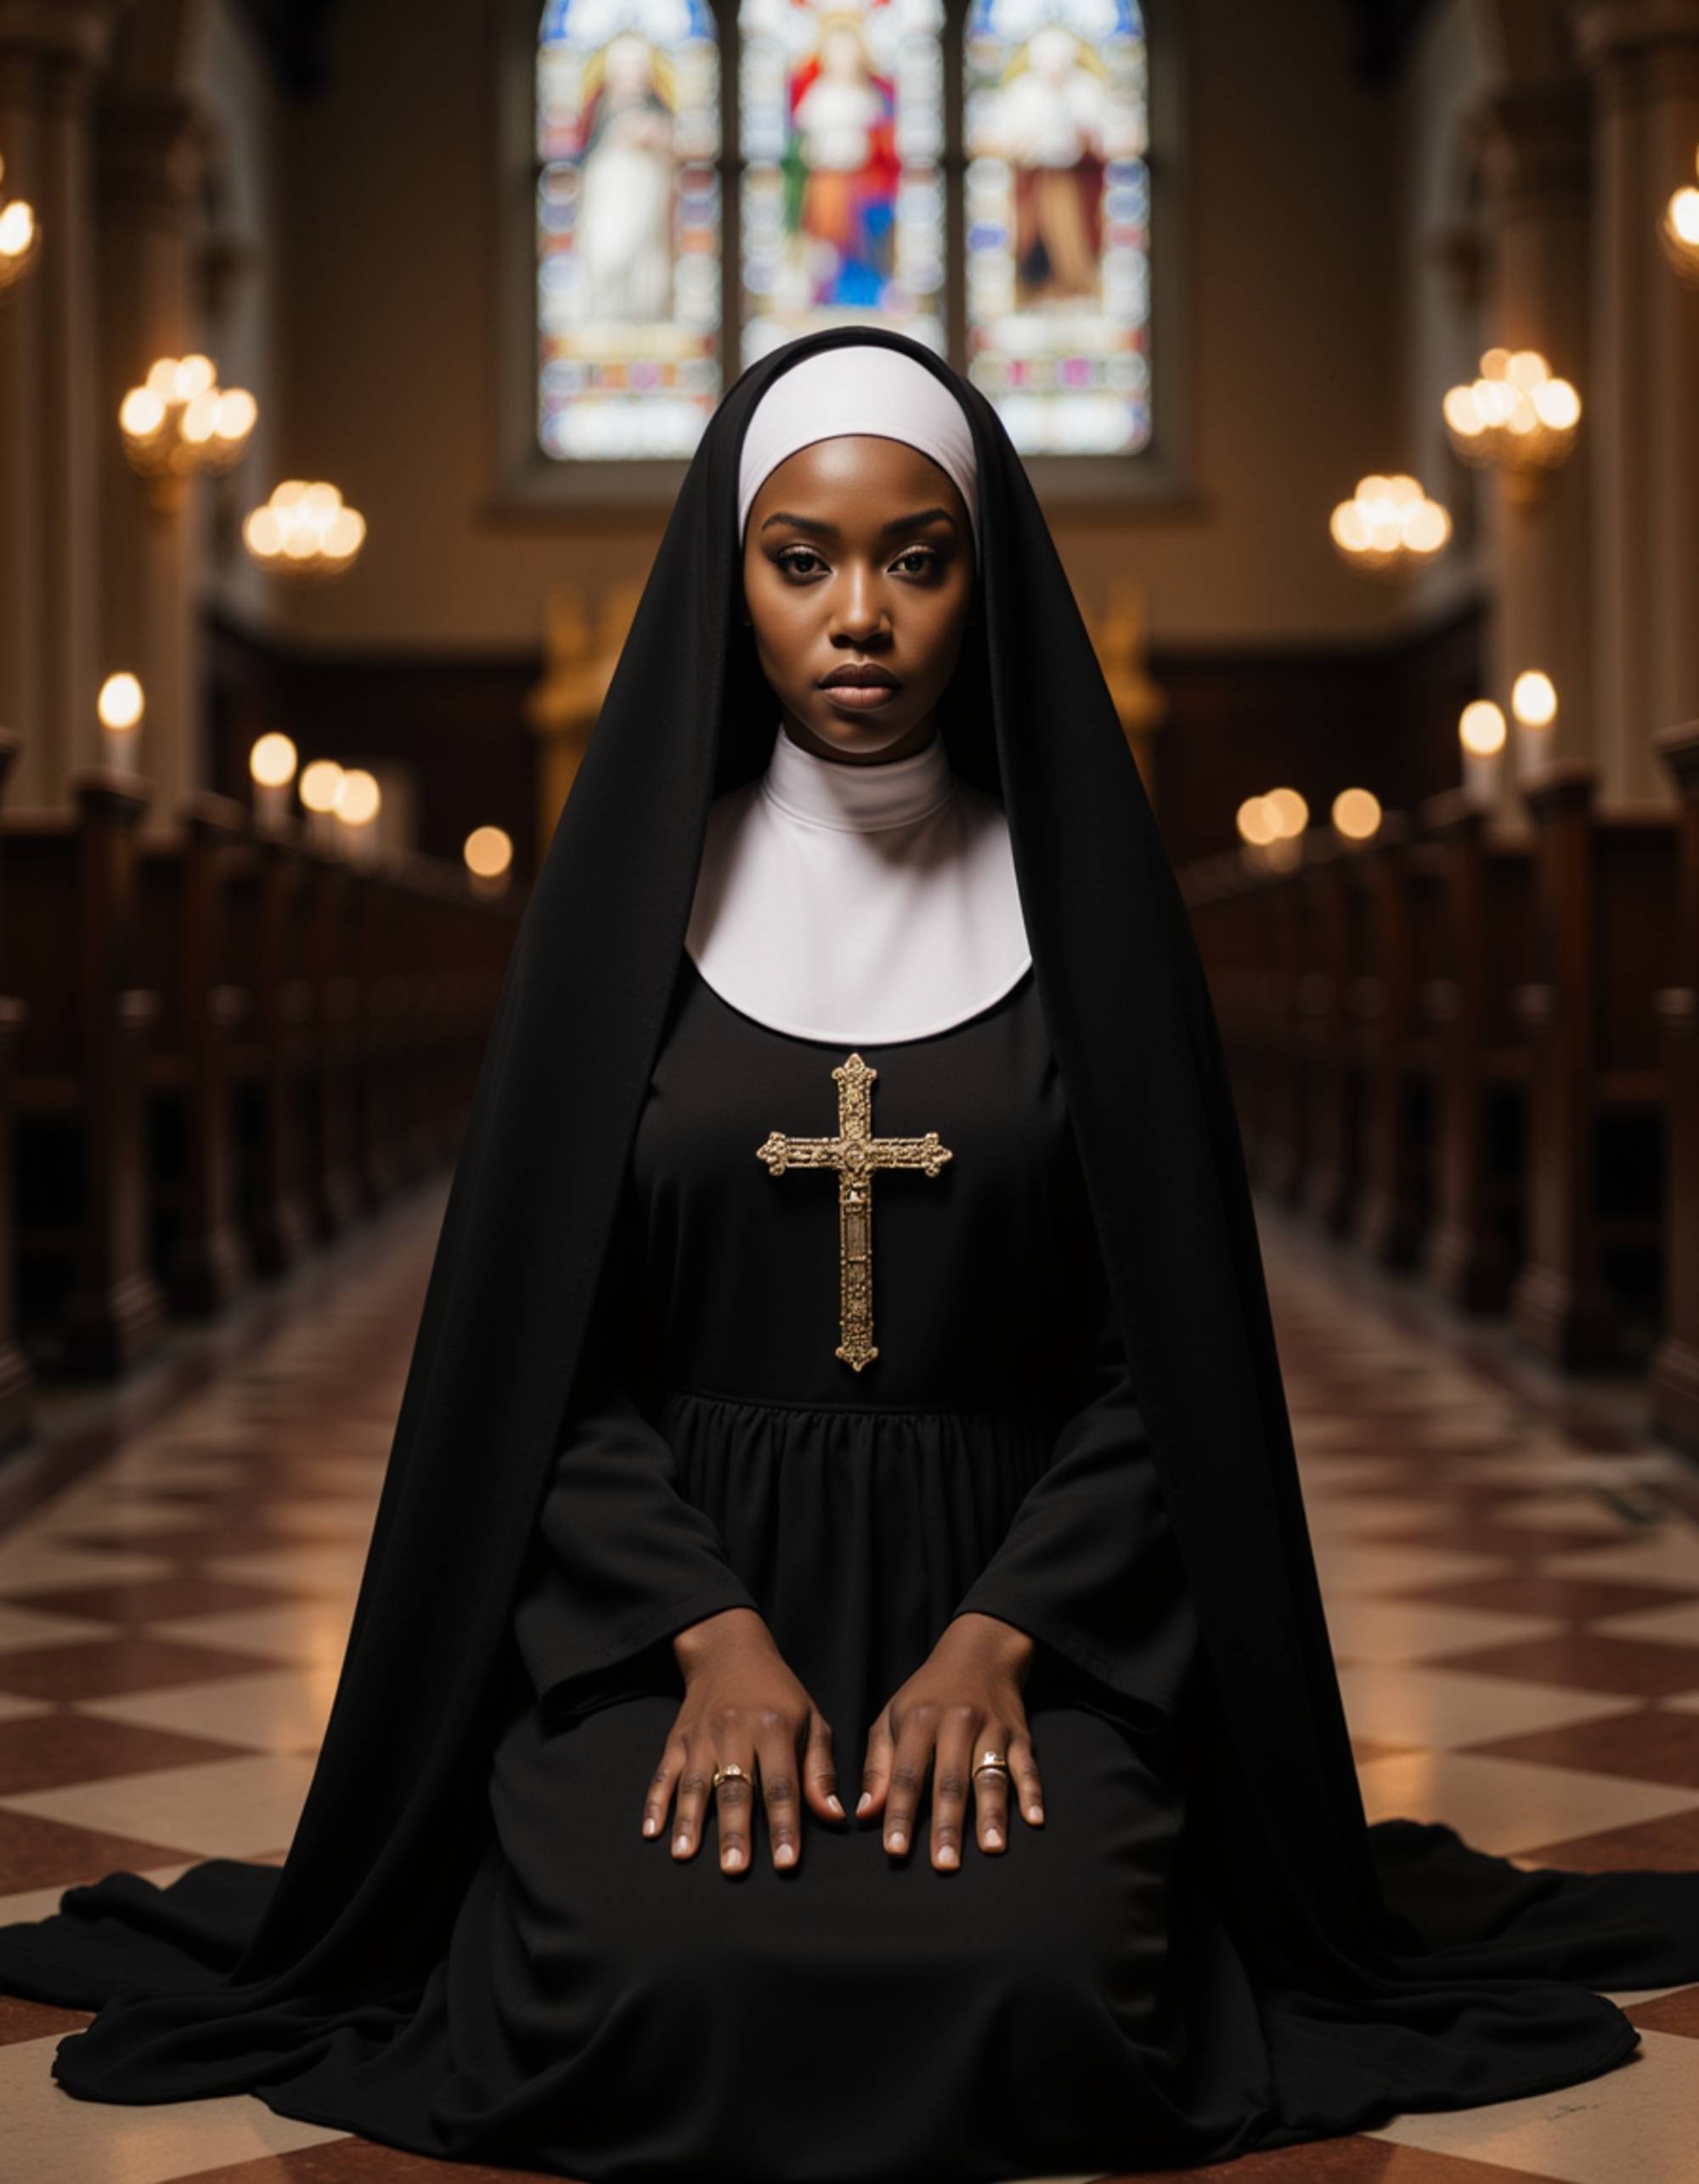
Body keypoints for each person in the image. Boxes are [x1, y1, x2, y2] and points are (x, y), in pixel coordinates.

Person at [1, 324, 1696, 2184]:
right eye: (799, 558)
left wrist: (995, 1642)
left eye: (916, 554)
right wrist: (708, 1637)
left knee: (1046, 1976)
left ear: (984, 582)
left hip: (1029, 1602)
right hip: (668, 1605)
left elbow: (1170, 1370)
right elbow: (537, 1367)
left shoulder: (1093, 929)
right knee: (648, 1972)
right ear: (732, 585)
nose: (858, 613)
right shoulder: (621, 928)